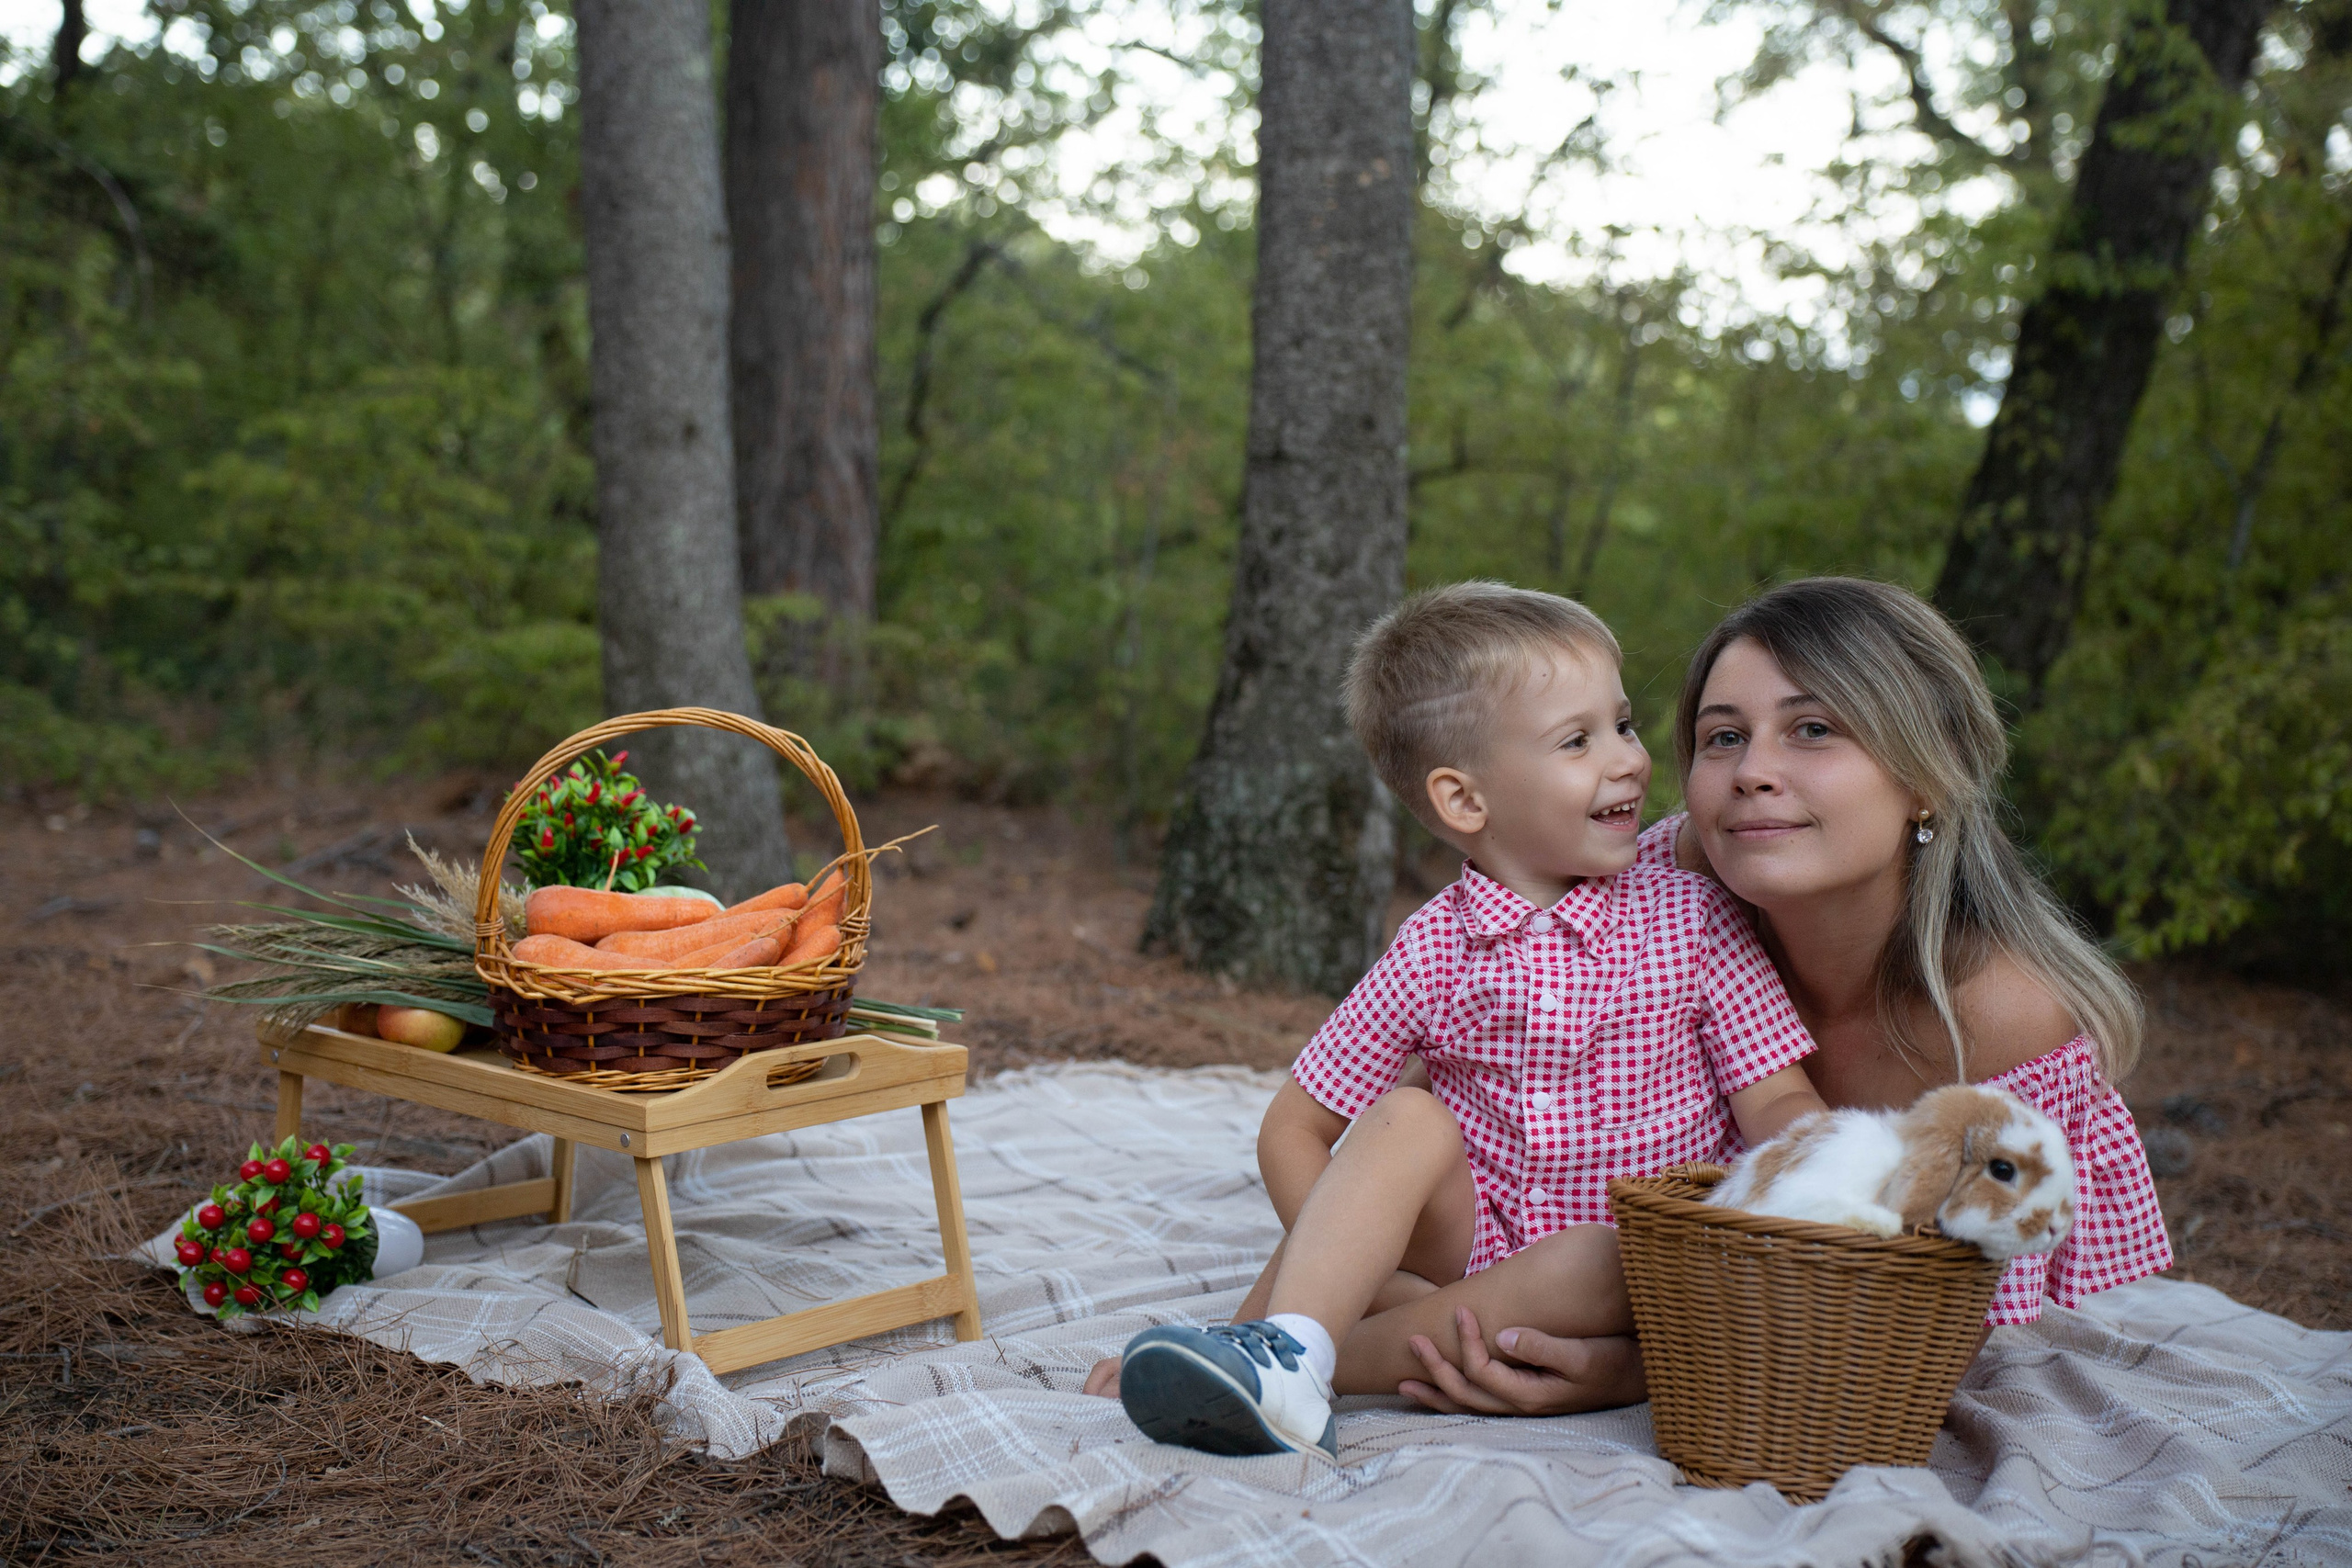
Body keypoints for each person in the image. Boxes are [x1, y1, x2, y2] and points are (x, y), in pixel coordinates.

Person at [1395, 577, 2173, 1417]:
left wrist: (1642, 1368)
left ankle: (1322, 1355)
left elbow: (1912, 1341)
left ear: (1928, 776)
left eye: (1813, 729)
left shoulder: (2003, 1018)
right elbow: (1439, 1079)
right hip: (1526, 1261)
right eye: (1722, 736)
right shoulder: (1664, 887)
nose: (1753, 773)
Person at [1098, 581, 1830, 1458]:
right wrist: (1359, 1256)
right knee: (1404, 1119)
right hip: (1472, 1241)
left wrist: (1841, 1173)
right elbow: (1297, 1124)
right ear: (1465, 802)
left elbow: (1777, 1098)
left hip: (1635, 1260)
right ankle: (1276, 1348)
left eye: (1625, 724)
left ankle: (1312, 1357)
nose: (1630, 760)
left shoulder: (1693, 915)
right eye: (1578, 740)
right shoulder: (1433, 949)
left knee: (1607, 1249)